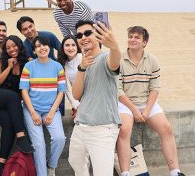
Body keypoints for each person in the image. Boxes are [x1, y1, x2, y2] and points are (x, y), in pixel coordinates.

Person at [116, 26, 185, 176]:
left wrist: (146, 110)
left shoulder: (152, 60)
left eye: (136, 37)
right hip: (124, 103)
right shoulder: (119, 60)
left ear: (144, 42)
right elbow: (118, 90)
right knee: (124, 130)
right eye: (130, 36)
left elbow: (155, 88)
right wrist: (134, 110)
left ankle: (175, 171)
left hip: (146, 102)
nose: (132, 39)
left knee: (166, 128)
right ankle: (126, 173)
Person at [68, 20, 122, 176]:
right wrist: (82, 68)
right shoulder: (82, 62)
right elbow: (76, 95)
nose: (83, 37)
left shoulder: (106, 57)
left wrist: (114, 45)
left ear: (97, 35)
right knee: (76, 163)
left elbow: (115, 61)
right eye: (79, 35)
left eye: (87, 33)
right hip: (81, 126)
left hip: (102, 129)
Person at [0, 35, 34, 176]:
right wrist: (9, 67)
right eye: (8, 47)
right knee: (13, 96)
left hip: (7, 105)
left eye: (14, 45)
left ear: (19, 45)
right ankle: (21, 137)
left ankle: (1, 164)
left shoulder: (26, 63)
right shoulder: (1, 61)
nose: (11, 49)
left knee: (9, 125)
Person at [19, 36, 66, 176]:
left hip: (51, 110)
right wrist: (33, 112)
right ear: (34, 51)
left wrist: (51, 113)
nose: (42, 48)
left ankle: (51, 165)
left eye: (44, 45)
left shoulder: (58, 66)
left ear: (49, 47)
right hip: (31, 109)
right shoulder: (28, 66)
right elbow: (24, 91)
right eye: (38, 46)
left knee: (59, 138)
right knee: (39, 144)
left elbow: (61, 92)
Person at [57, 35, 82, 119]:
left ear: (77, 46)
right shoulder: (63, 64)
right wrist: (76, 105)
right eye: (67, 45)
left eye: (73, 45)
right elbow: (67, 89)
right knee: (77, 119)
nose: (70, 48)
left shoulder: (81, 58)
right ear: (63, 48)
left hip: (91, 99)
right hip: (77, 101)